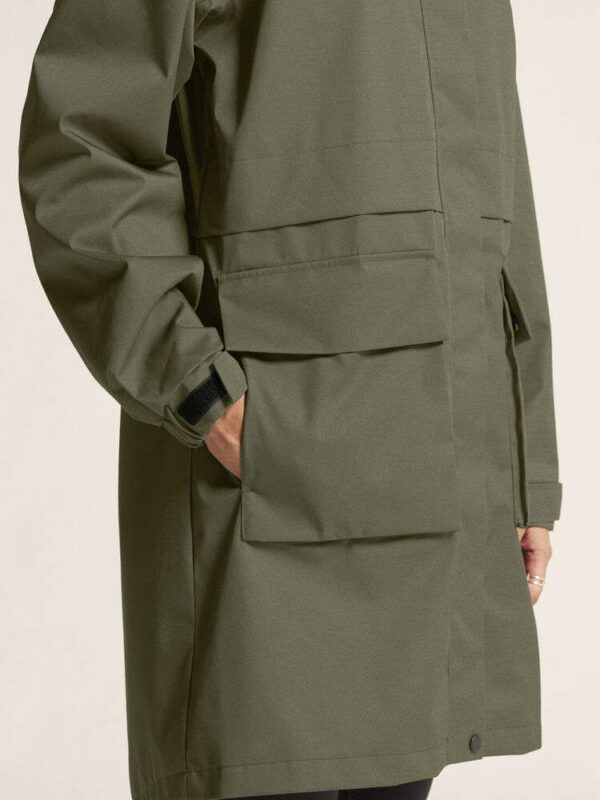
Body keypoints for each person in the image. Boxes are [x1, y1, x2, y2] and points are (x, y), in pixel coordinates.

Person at [19, 2, 561, 800]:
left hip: (432, 502)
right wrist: (199, 389)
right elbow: (80, 145)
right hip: (258, 507)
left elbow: (490, 200)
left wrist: (520, 470)